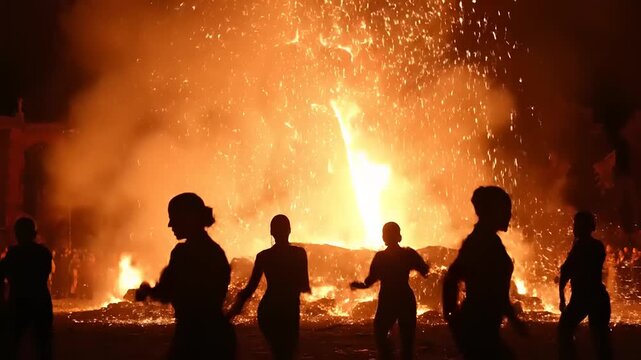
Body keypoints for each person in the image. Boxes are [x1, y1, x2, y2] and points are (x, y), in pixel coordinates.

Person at [135, 193, 235, 359]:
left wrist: (147, 291)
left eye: (174, 218)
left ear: (189, 218)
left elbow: (169, 291)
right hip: (218, 334)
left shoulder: (183, 253)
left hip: (194, 336)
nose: (170, 224)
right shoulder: (216, 252)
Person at [442, 186, 526, 360]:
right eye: (506, 210)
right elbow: (452, 277)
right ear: (493, 211)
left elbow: (497, 289)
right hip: (477, 325)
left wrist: (513, 319)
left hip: (483, 325)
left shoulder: (488, 240)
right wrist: (451, 315)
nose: (510, 215)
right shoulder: (480, 242)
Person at [228, 214, 310, 360]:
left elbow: (250, 289)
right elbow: (304, 285)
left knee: (278, 351)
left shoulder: (263, 256)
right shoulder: (299, 254)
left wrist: (231, 312)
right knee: (287, 353)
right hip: (289, 309)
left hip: (268, 311)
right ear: (290, 230)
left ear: (271, 232)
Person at [349, 222, 429, 360]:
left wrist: (357, 285)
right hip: (405, 298)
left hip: (388, 299)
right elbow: (425, 271)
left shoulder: (381, 257)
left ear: (384, 237)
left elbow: (369, 282)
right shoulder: (408, 254)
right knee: (407, 342)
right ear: (399, 236)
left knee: (380, 333)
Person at [558, 211, 612, 360]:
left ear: (584, 227)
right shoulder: (596, 246)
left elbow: (566, 271)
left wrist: (562, 298)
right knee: (601, 340)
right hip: (598, 297)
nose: (573, 228)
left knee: (564, 330)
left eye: (576, 225)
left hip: (584, 297)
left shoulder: (582, 247)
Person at [0, 217, 53, 360]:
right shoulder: (43, 253)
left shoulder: (13, 254)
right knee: (43, 345)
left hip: (18, 302)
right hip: (40, 301)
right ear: (34, 233)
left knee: (11, 344)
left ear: (17, 234)